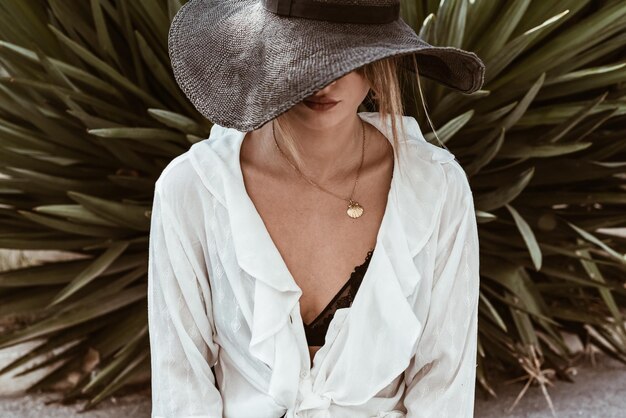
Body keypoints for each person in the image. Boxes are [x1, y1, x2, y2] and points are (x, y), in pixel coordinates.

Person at [148, 0, 485, 417]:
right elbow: (181, 386)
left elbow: (443, 385)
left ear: (382, 62)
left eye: (349, 56)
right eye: (303, 53)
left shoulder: (436, 189)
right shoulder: (193, 190)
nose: (326, 81)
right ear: (266, 51)